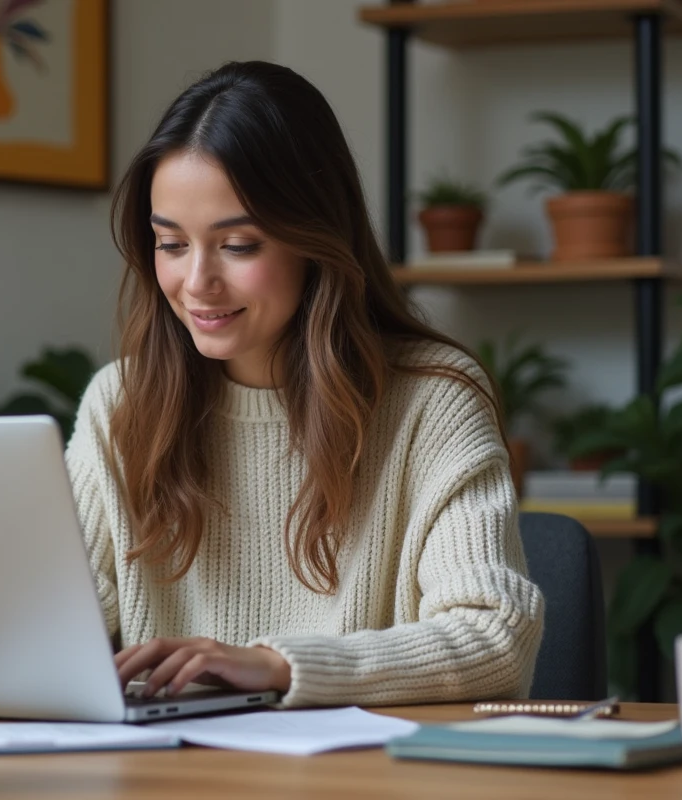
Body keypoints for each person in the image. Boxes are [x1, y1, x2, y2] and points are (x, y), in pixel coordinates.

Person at [65, 61, 544, 708]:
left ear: (315, 241)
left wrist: (277, 664)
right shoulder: (119, 406)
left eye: (237, 245)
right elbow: (48, 636)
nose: (197, 282)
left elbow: (497, 637)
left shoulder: (432, 403)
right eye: (171, 244)